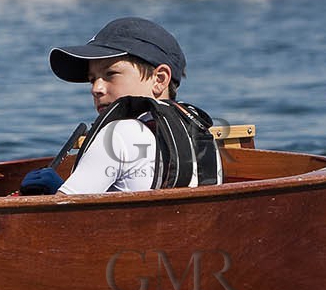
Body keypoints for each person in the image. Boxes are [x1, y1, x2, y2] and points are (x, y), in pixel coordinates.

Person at [18, 17, 223, 196]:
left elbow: (59, 215)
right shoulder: (200, 132)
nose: (96, 89)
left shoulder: (118, 134)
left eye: (110, 74)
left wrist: (55, 191)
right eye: (92, 79)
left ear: (159, 79)